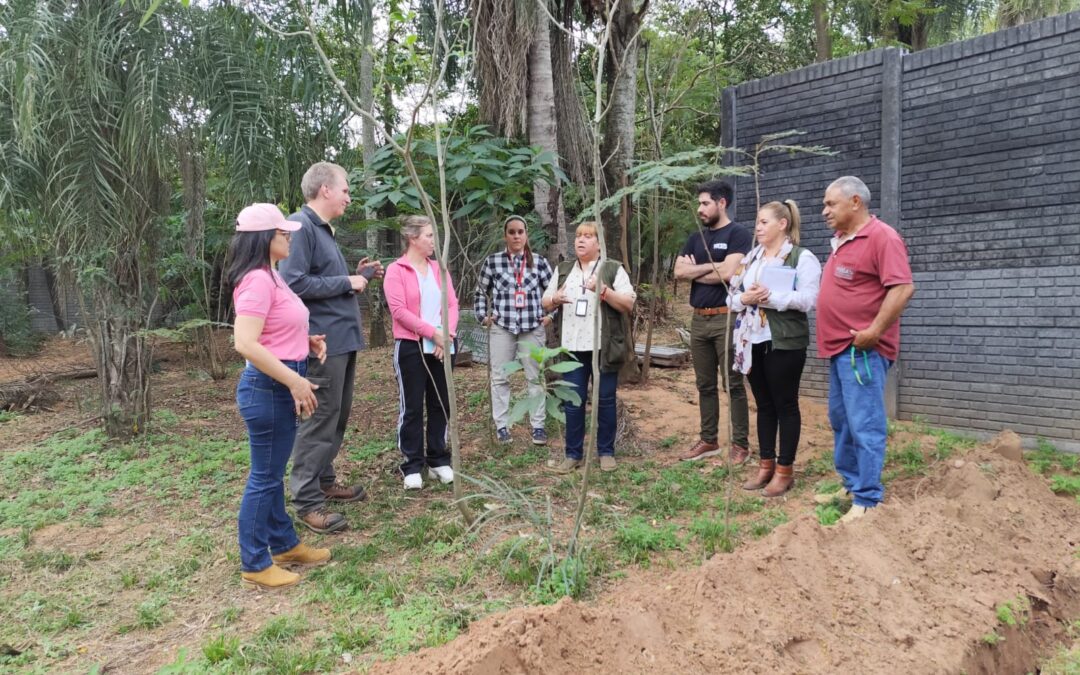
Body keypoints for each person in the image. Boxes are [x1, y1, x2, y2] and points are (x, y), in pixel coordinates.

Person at [229, 203, 331, 589]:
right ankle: (255, 562)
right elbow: (245, 343)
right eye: (282, 232)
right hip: (269, 388)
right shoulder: (256, 280)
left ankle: (285, 545)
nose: (289, 237)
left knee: (271, 474)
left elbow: (274, 329)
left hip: (279, 382)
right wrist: (295, 381)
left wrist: (304, 342)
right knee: (265, 478)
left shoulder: (272, 275)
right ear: (263, 238)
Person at [278, 162, 382, 534]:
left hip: (340, 340)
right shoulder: (301, 225)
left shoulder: (322, 230)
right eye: (345, 190)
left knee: (335, 415)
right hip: (321, 344)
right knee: (319, 418)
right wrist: (347, 281)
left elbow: (323, 280)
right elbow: (293, 282)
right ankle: (307, 501)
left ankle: (324, 480)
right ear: (325, 189)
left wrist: (357, 275)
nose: (348, 198)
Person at [815, 176, 914, 524]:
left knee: (864, 423)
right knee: (842, 420)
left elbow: (902, 288)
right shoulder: (844, 239)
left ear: (855, 202)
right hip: (840, 348)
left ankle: (868, 499)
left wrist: (874, 331)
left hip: (862, 351)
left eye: (831, 203)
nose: (824, 211)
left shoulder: (882, 237)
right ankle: (851, 484)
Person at [729, 200, 822, 497]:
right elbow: (731, 296)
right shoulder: (751, 258)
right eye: (757, 222)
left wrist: (772, 297)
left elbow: (809, 299)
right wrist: (744, 299)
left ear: (782, 224)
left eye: (763, 222)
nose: (757, 227)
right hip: (751, 340)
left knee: (785, 405)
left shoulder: (801, 257)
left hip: (784, 342)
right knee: (764, 404)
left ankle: (785, 470)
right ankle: (765, 465)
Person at [542, 222, 636, 473]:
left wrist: (604, 291)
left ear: (599, 244)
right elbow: (545, 301)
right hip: (572, 348)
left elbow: (628, 303)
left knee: (605, 399)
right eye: (578, 236)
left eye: (588, 236)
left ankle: (606, 452)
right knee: (574, 402)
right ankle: (573, 455)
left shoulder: (612, 268)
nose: (580, 240)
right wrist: (554, 299)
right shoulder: (564, 269)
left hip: (603, 347)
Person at [675, 180, 754, 464]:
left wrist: (696, 270)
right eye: (699, 203)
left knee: (732, 384)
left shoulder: (738, 234)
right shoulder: (695, 238)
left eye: (705, 203)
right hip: (698, 320)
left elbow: (731, 273)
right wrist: (715, 266)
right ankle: (709, 440)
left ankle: (740, 444)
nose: (700, 209)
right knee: (704, 384)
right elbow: (678, 272)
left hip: (726, 318)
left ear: (722, 203)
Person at [383, 215, 460, 490]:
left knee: (441, 402)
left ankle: (438, 459)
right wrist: (431, 333)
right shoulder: (396, 270)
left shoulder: (440, 269)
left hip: (442, 346)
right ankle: (412, 465)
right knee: (412, 406)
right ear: (412, 238)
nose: (433, 241)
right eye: (429, 235)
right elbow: (399, 311)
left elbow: (452, 305)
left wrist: (445, 336)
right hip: (411, 346)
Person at [474, 215, 555, 445]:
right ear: (505, 236)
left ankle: (538, 426)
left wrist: (551, 315)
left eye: (520, 232)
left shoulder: (539, 262)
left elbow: (553, 292)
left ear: (526, 234)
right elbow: (480, 292)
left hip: (532, 326)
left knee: (535, 377)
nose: (516, 236)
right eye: (512, 232)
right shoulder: (493, 262)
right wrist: (483, 316)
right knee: (500, 376)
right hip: (503, 326)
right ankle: (502, 426)